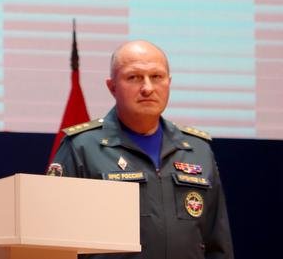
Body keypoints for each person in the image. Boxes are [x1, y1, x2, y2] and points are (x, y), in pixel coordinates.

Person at [47, 40, 234, 259]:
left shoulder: (197, 150)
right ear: (112, 87)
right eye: (134, 77)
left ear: (169, 82)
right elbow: (53, 240)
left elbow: (217, 244)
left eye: (157, 76)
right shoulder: (81, 148)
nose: (147, 88)